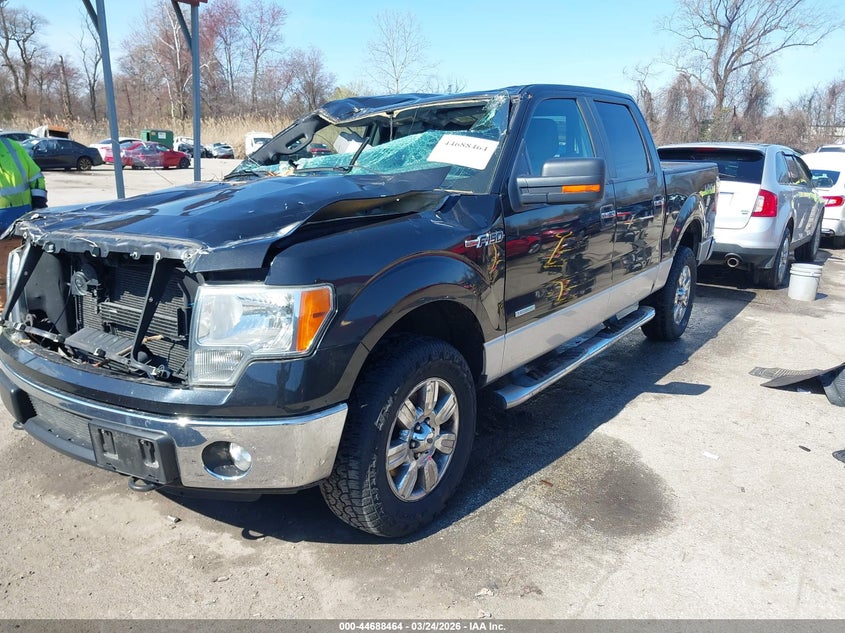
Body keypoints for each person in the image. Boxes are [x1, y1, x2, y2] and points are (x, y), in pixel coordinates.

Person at [0, 136, 47, 296]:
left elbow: (35, 176)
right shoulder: (11, 145)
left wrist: (39, 204)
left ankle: (10, 312)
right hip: (21, 220)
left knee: (17, 271)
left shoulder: (12, 146)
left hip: (22, 223)